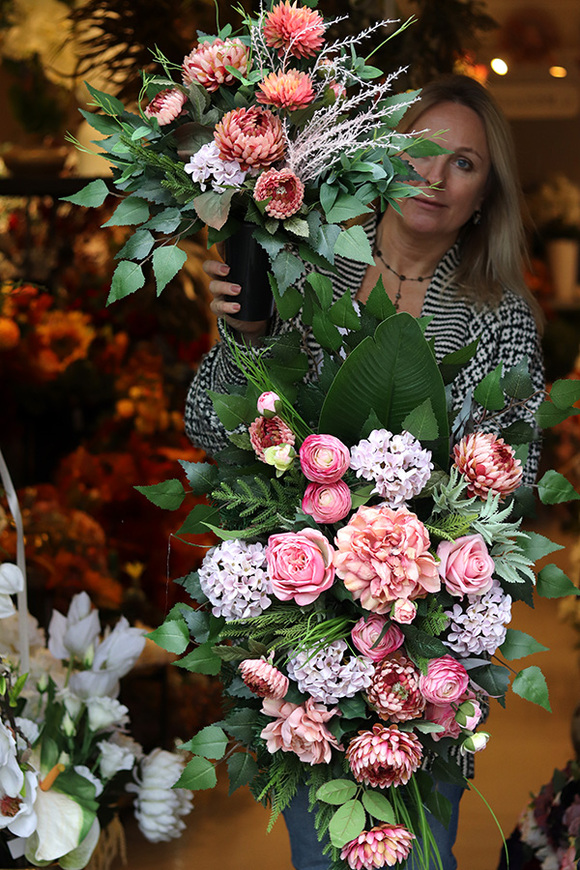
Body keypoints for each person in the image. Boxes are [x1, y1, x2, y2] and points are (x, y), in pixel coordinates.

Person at [184, 74, 545, 870]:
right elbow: (211, 426)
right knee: (327, 850)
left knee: (419, 845)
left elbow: (517, 473)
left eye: (465, 164)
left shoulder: (498, 310)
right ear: (382, 158)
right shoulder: (303, 269)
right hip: (301, 619)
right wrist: (245, 335)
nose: (435, 177)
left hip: (428, 632)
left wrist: (417, 539)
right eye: (421, 151)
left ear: (486, 195)